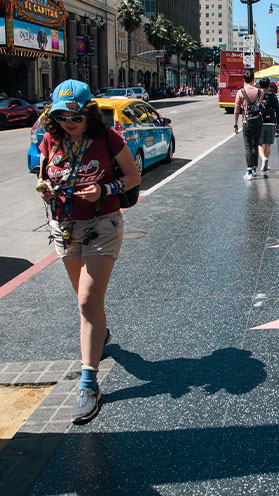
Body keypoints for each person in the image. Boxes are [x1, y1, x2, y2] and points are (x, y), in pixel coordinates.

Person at [36, 79, 141, 423]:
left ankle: (88, 382)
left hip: (102, 225)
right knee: (89, 303)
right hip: (64, 228)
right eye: (63, 116)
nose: (69, 122)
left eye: (76, 116)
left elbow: (133, 176)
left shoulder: (109, 139)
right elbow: (44, 174)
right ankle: (102, 334)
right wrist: (47, 191)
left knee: (86, 302)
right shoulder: (51, 139)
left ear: (89, 115)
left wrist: (105, 189)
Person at [233, 69, 264, 180]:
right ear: (253, 79)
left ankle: (249, 170)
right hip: (258, 121)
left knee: (248, 146)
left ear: (244, 79)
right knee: (255, 145)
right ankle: (254, 168)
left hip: (246, 121)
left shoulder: (240, 92)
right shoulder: (260, 92)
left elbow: (236, 110)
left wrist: (236, 124)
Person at [258, 78, 279, 172]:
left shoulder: (257, 94)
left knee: (258, 144)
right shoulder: (273, 95)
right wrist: (278, 123)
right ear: (268, 85)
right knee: (268, 144)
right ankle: (265, 162)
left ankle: (263, 159)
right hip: (271, 121)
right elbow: (277, 109)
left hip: (259, 121)